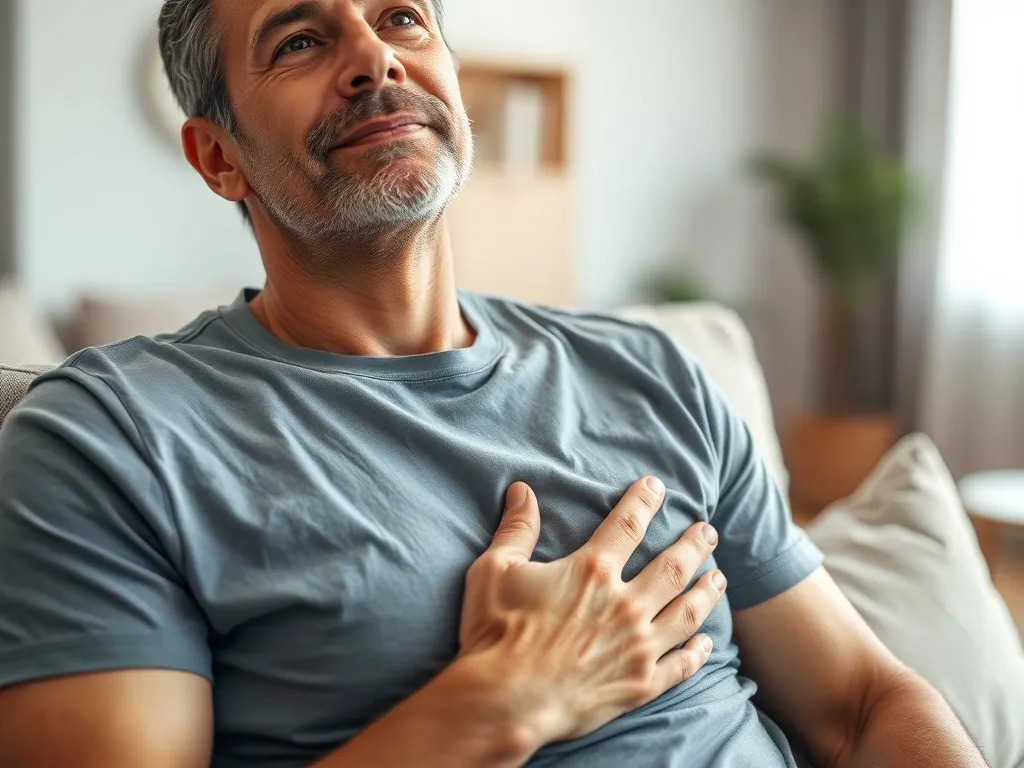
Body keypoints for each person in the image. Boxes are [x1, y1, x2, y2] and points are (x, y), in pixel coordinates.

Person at [0, 1, 986, 767]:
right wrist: (509, 698)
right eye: (298, 41)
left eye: (401, 20)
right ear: (219, 158)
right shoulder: (107, 441)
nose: (375, 59)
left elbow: (865, 706)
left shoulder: (651, 374)